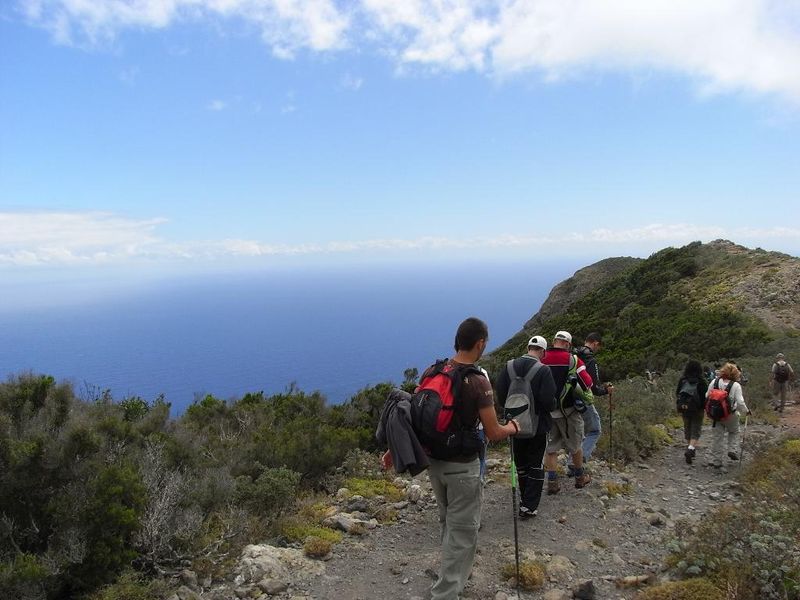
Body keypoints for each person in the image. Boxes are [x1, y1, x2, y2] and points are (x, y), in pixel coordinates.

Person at [427, 317, 519, 600]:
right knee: (463, 532)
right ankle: (445, 593)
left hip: (434, 463)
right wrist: (512, 428)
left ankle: (451, 575)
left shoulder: (433, 371)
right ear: (480, 344)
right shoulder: (479, 382)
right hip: (462, 467)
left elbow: (417, 414)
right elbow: (493, 431)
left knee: (448, 523)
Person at [494, 335, 557, 519]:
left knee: (521, 464)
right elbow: (548, 401)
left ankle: (524, 499)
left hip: (514, 424)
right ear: (543, 351)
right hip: (538, 426)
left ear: (528, 347)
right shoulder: (543, 370)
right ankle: (529, 506)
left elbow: (501, 395)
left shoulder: (509, 366)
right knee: (536, 464)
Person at [541, 331, 594, 493]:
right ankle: (579, 478)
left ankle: (552, 483)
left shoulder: (541, 358)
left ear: (554, 341)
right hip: (569, 412)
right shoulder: (573, 360)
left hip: (548, 412)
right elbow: (588, 383)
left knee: (551, 449)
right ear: (567, 344)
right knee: (576, 445)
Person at [572, 332, 612, 467]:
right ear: (595, 343)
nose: (598, 349)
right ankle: (579, 462)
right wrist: (606, 390)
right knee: (595, 429)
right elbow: (593, 388)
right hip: (583, 399)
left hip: (568, 398)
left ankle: (572, 463)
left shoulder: (573, 356)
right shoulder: (591, 360)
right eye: (598, 346)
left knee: (578, 432)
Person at [707, 362, 750, 472]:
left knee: (717, 437)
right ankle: (732, 449)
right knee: (734, 431)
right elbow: (740, 402)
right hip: (731, 414)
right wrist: (746, 411)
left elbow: (707, 395)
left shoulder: (714, 381)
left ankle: (717, 461)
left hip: (716, 414)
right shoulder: (736, 385)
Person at [675, 360, 708, 464]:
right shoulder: (701, 381)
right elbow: (705, 396)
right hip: (697, 409)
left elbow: (677, 393)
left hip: (684, 408)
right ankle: (690, 449)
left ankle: (690, 447)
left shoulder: (683, 380)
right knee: (696, 429)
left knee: (687, 428)